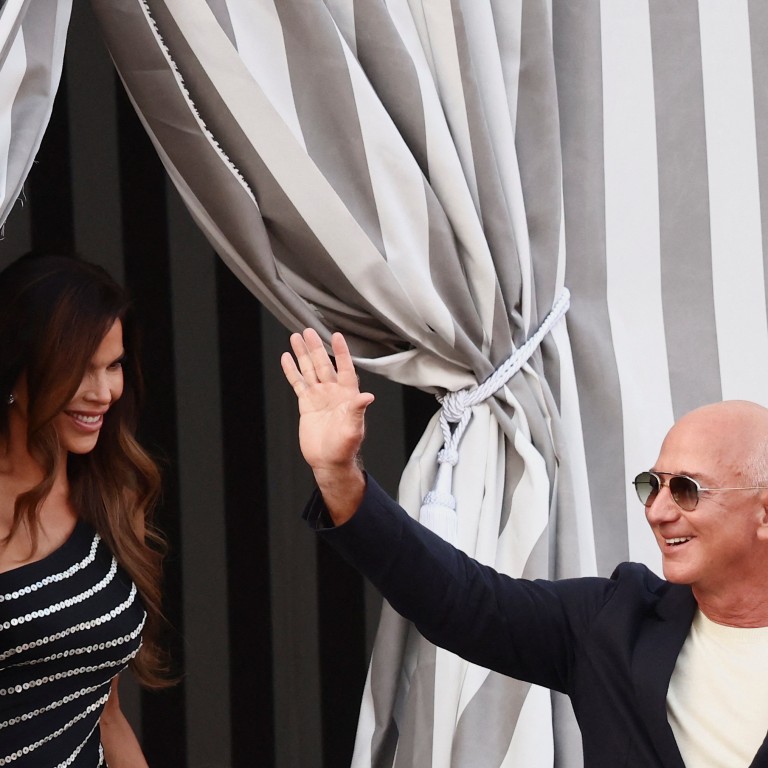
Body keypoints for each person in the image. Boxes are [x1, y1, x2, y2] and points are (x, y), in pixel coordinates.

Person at [282, 327, 768, 768]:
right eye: (651, 485)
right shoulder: (615, 625)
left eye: (685, 489)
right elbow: (458, 600)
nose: (658, 511)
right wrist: (338, 476)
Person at [0, 253, 170, 766]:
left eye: (113, 366)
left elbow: (104, 712)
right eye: (80, 370)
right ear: (17, 367)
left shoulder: (109, 499)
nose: (103, 393)